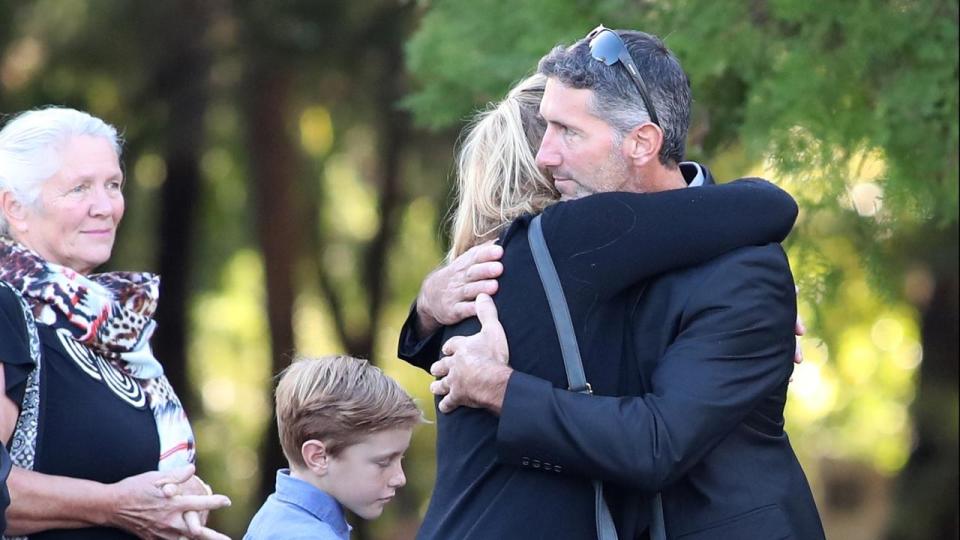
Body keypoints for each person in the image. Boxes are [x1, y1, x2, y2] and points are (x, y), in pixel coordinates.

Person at [399, 41, 819, 540]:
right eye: (545, 127)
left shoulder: (745, 270)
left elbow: (658, 444)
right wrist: (429, 307)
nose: (544, 154)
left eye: (568, 132)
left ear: (642, 142)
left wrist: (498, 386)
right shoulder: (576, 250)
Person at [0, 107, 231, 540]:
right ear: (16, 207)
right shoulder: (5, 310)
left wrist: (177, 497)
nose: (104, 207)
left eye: (113, 185)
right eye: (79, 188)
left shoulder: (110, 329)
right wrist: (115, 506)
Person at [244, 355, 424, 540]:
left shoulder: (277, 517)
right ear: (318, 457)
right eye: (384, 462)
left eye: (400, 458)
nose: (400, 478)